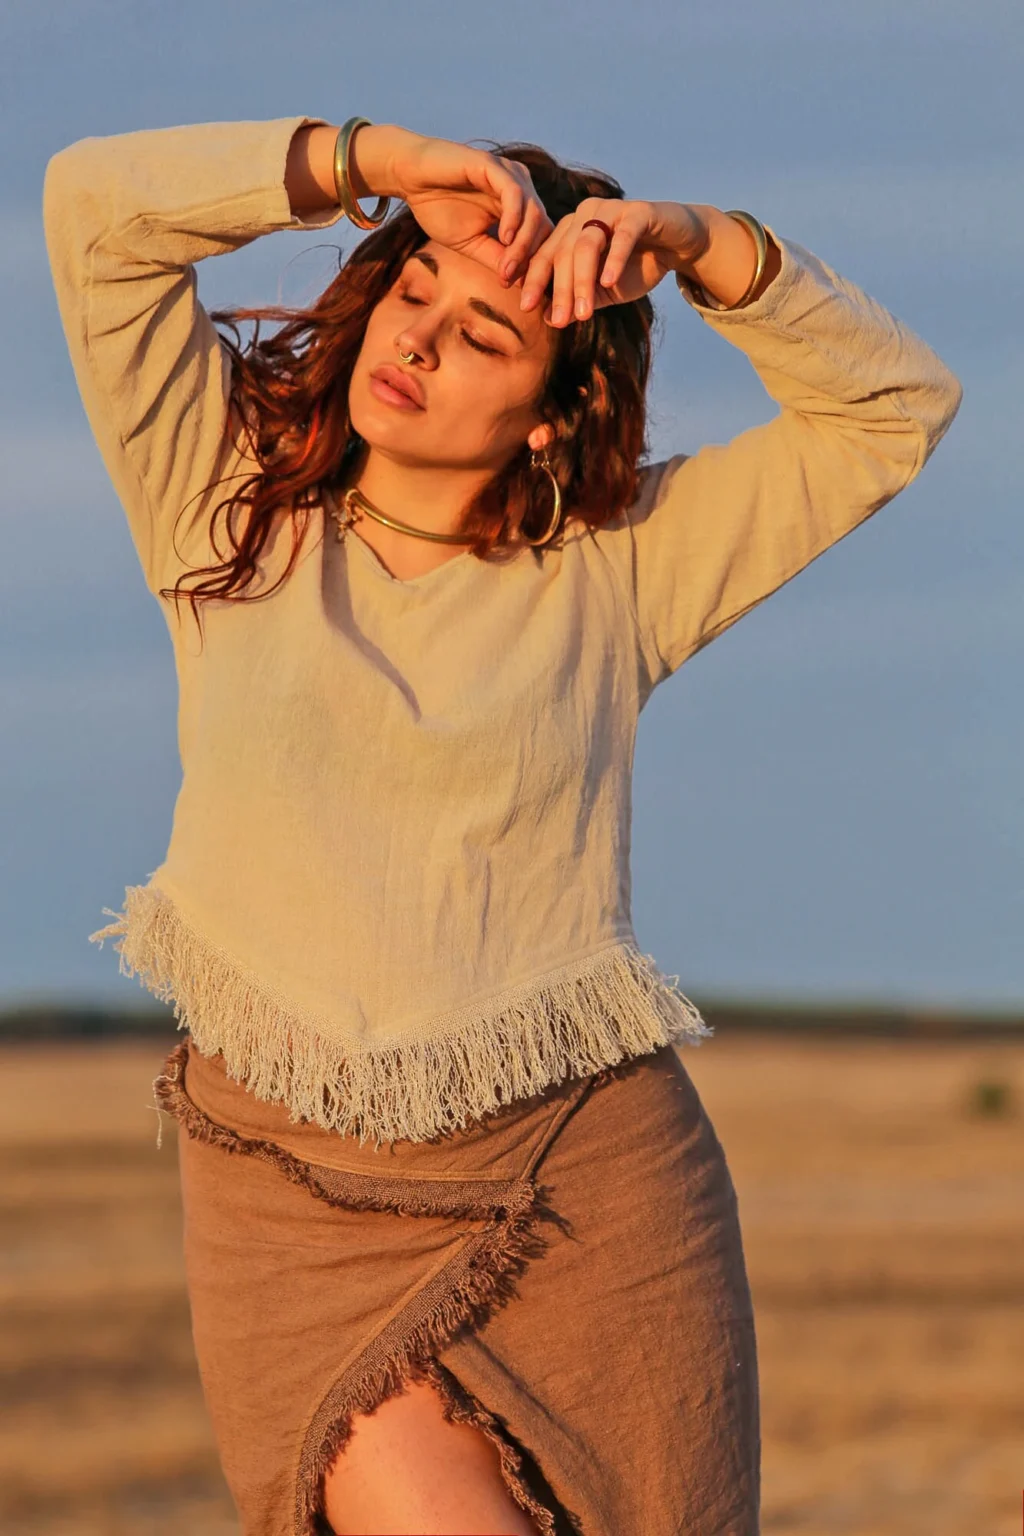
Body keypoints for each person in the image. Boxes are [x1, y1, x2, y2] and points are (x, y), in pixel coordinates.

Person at [43, 111, 962, 1536]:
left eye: (482, 335)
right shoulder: (223, 504)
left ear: (554, 411)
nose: (415, 341)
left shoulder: (622, 572)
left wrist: (698, 244)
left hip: (577, 1176)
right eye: (415, 292)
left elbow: (892, 406)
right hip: (290, 1188)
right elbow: (93, 212)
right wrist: (368, 164)